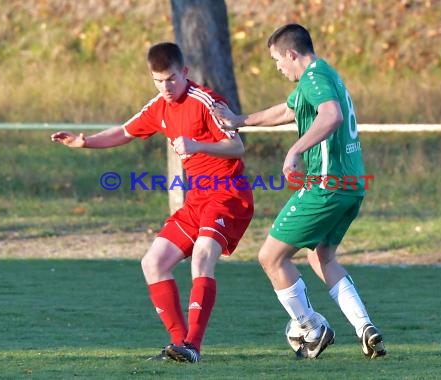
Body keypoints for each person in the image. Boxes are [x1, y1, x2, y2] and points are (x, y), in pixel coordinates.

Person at [51, 42, 254, 363]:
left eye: (171, 79)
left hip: (227, 194)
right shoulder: (159, 106)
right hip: (197, 200)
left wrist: (197, 145)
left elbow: (237, 147)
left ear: (184, 72)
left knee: (202, 256)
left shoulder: (207, 101)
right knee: (153, 263)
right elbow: (124, 131)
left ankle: (193, 346)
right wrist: (84, 142)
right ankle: (178, 346)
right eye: (158, 80)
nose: (166, 87)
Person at [213, 24, 386, 359]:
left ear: (292, 54)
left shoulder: (312, 78)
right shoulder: (326, 76)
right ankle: (365, 327)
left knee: (270, 257)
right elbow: (286, 111)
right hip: (352, 186)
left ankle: (311, 327)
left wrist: (295, 150)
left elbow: (331, 115)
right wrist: (239, 120)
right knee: (322, 256)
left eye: (278, 60)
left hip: (326, 183)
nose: (278, 67)